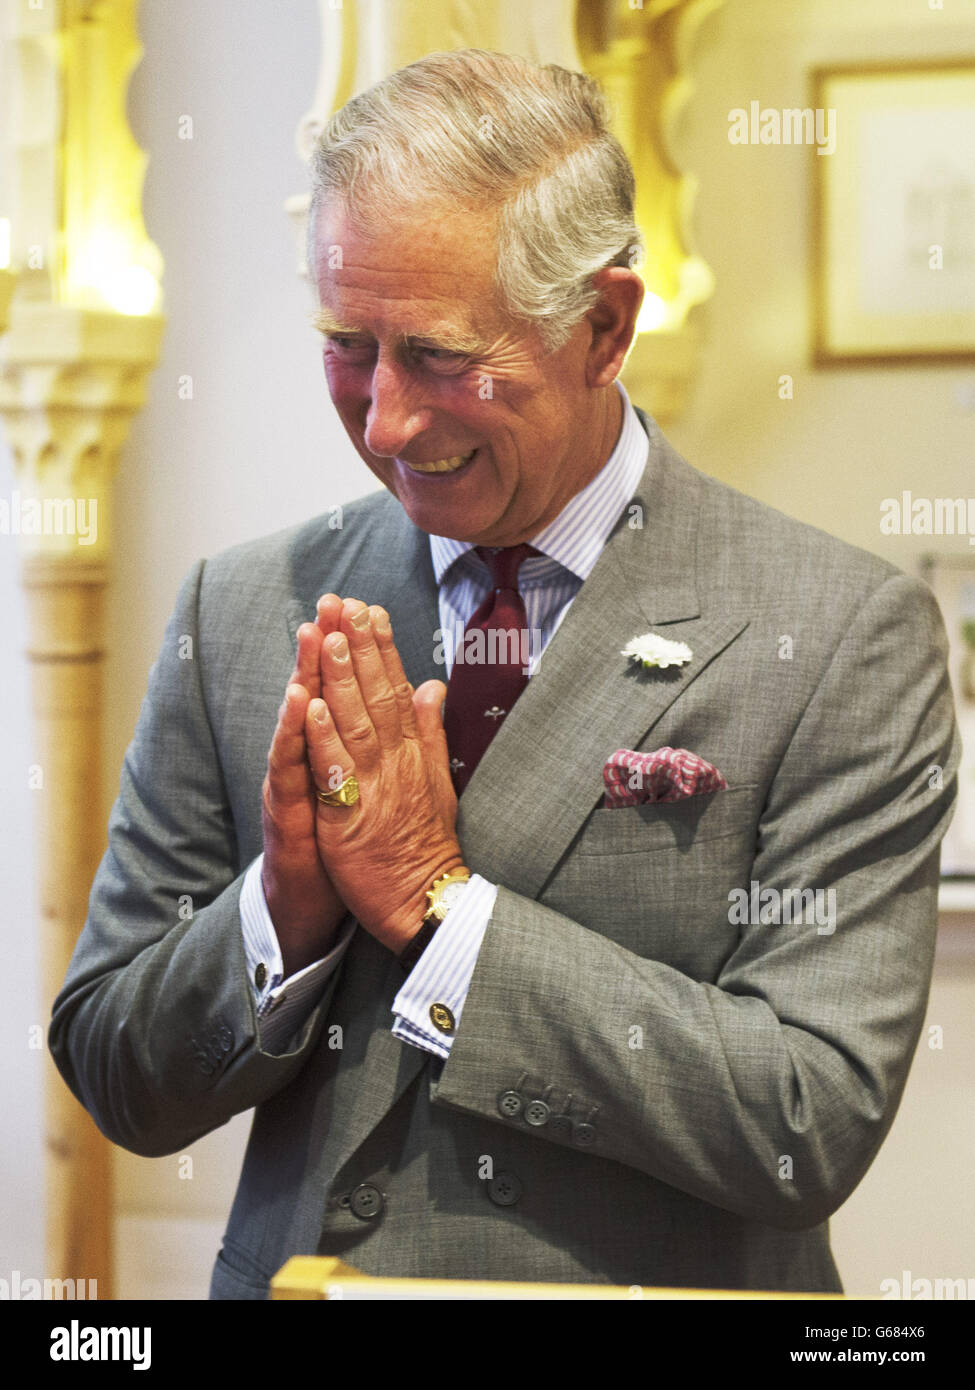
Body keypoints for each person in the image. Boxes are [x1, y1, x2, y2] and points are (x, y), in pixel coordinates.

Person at [50, 49, 960, 1300]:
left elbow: (808, 1116)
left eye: (435, 355)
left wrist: (440, 904)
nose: (382, 422)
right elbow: (112, 1068)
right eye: (345, 344)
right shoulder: (246, 605)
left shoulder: (841, 632)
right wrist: (283, 914)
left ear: (604, 326)